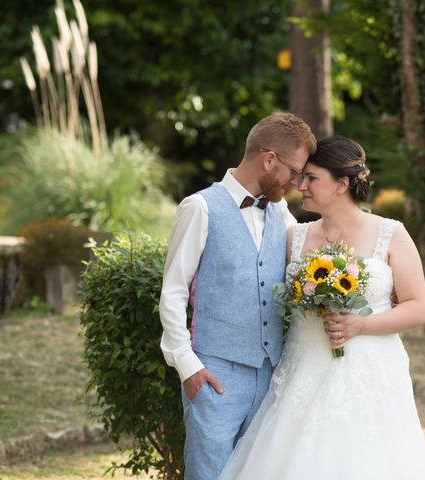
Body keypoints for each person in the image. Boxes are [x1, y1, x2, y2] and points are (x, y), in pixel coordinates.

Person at [219, 136, 425, 479]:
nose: (300, 185)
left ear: (342, 184)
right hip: (302, 369)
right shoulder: (295, 237)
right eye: (301, 176)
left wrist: (360, 325)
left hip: (370, 373)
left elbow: (419, 307)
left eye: (311, 178)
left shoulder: (391, 234)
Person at [158, 112, 316, 480]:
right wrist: (188, 366)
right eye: (294, 172)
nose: (296, 183)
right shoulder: (199, 208)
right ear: (268, 158)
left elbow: (311, 265)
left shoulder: (282, 213)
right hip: (215, 374)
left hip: (270, 373)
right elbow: (173, 291)